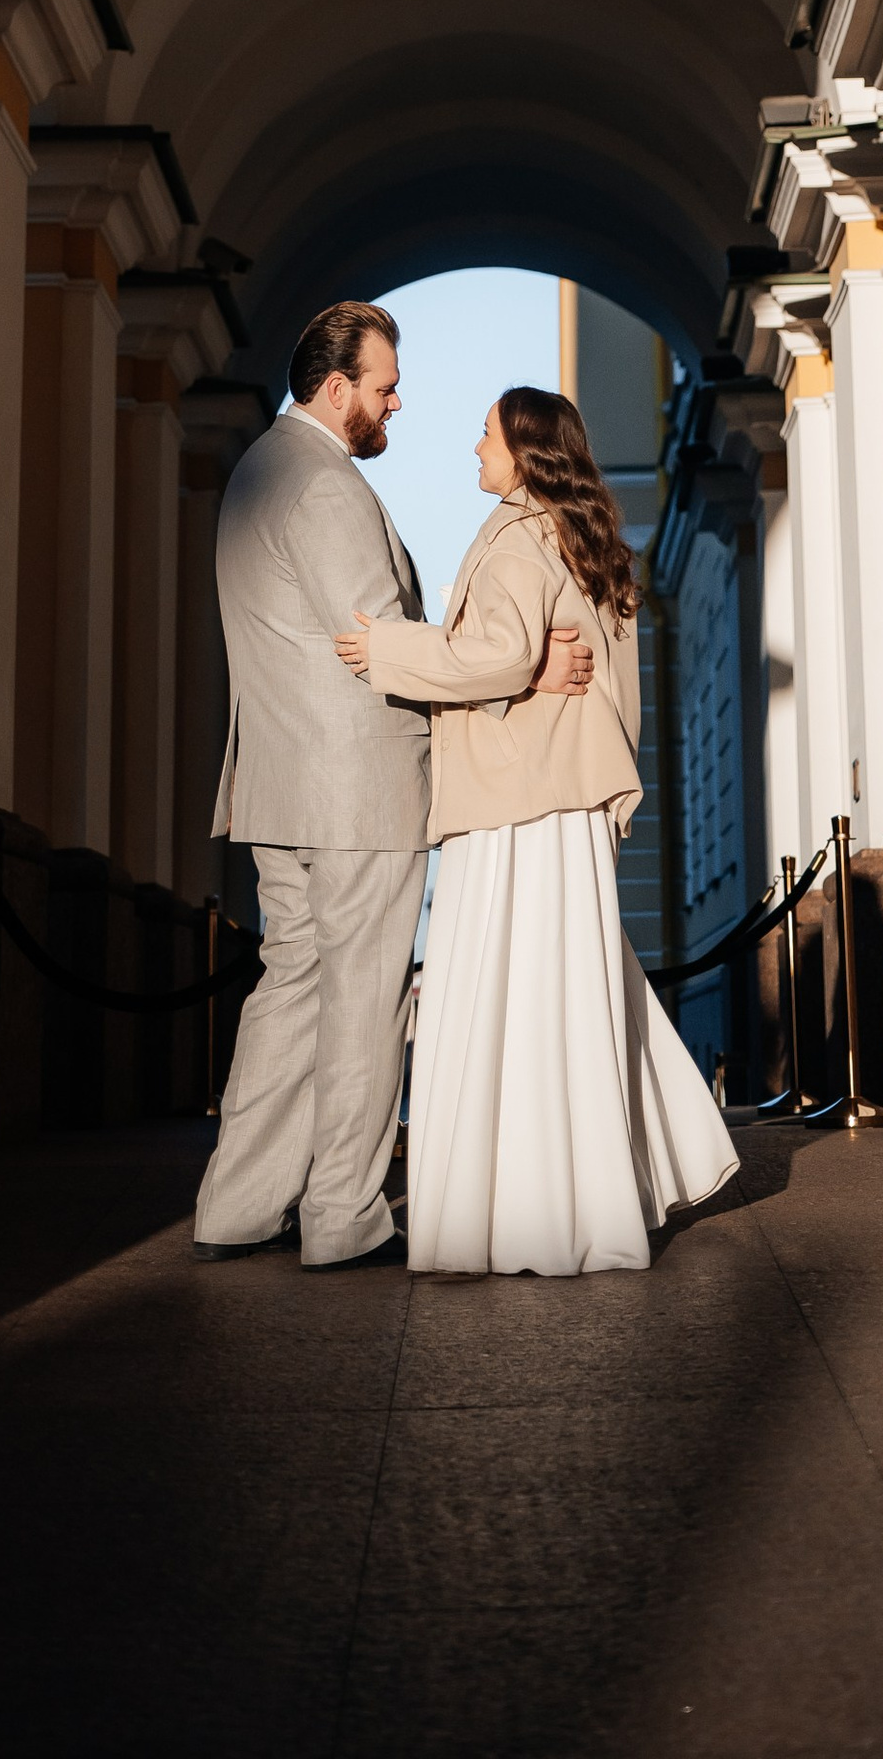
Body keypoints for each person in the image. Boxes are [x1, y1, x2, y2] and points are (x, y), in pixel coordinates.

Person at [193, 301, 596, 1270]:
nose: (396, 404)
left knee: (289, 987)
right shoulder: (323, 488)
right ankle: (342, 1212)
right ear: (336, 392)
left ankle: (237, 1204)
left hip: (279, 785)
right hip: (356, 786)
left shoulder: (256, 471)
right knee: (366, 998)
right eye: (382, 388)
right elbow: (376, 644)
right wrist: (523, 670)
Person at [337, 384, 737, 1274]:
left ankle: (520, 1212)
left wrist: (387, 647)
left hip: (516, 799)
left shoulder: (520, 536)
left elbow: (502, 655)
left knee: (502, 995)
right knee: (562, 995)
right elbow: (582, 671)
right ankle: (579, 1200)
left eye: (485, 436)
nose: (473, 450)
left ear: (524, 450)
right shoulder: (585, 536)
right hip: (565, 799)